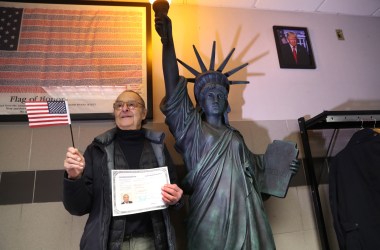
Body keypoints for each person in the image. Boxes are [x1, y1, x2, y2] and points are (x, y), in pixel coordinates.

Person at [155, 13, 299, 250]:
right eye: (209, 95)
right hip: (209, 211)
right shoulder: (191, 128)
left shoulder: (235, 136)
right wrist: (167, 42)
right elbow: (172, 86)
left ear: (226, 102)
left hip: (247, 211)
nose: (215, 98)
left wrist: (286, 169)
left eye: (220, 95)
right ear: (200, 101)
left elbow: (259, 173)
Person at [63, 90, 183, 250]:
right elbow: (78, 208)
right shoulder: (96, 150)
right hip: (107, 243)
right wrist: (74, 178)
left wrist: (176, 198)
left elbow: (173, 194)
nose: (124, 108)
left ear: (143, 113)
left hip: (150, 242)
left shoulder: (158, 147)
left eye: (132, 105)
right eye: (119, 105)